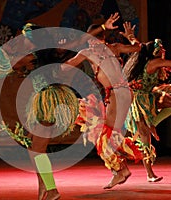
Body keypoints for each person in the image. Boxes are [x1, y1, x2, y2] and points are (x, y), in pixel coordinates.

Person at [0, 13, 122, 200]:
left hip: (49, 101)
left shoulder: (31, 55)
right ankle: (43, 188)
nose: (21, 39)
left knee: (37, 150)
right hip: (48, 98)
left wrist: (103, 29)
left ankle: (51, 190)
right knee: (34, 149)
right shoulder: (39, 53)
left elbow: (7, 65)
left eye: (24, 37)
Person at [61, 21, 144, 189]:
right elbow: (138, 48)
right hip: (123, 93)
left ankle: (120, 170)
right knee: (105, 133)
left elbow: (65, 67)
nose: (90, 42)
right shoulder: (114, 47)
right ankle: (120, 168)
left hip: (117, 93)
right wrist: (131, 38)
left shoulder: (88, 52)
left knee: (104, 136)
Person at [122, 38, 171, 182]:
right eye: (161, 49)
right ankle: (150, 174)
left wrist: (132, 38)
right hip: (138, 101)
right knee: (145, 139)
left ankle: (152, 123)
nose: (163, 51)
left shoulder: (151, 61)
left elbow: (141, 47)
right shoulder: (155, 62)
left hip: (149, 96)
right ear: (155, 52)